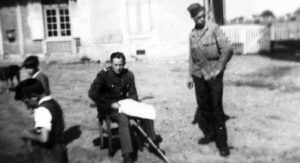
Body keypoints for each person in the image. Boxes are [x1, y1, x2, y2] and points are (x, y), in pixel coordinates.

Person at [88, 52, 163, 163]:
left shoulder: (128, 75)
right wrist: (110, 104)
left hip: (126, 105)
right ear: (111, 63)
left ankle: (151, 141)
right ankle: (127, 155)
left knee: (147, 110)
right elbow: (92, 93)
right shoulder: (103, 75)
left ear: (124, 63)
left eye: (121, 65)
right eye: (115, 65)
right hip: (110, 108)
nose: (118, 68)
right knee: (123, 119)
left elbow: (133, 94)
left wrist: (131, 103)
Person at [186, 3, 233, 157]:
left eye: (203, 16)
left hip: (213, 75)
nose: (201, 19)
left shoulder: (214, 29)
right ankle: (210, 134)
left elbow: (227, 49)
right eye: (197, 17)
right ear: (193, 18)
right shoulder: (192, 34)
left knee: (216, 109)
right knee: (204, 107)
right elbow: (191, 57)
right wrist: (189, 75)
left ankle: (222, 144)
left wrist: (219, 68)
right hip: (198, 75)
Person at [15, 78, 68, 163]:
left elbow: (44, 138)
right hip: (60, 150)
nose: (27, 107)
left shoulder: (42, 110)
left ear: (34, 96)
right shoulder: (53, 102)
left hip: (48, 155)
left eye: (26, 102)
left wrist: (27, 134)